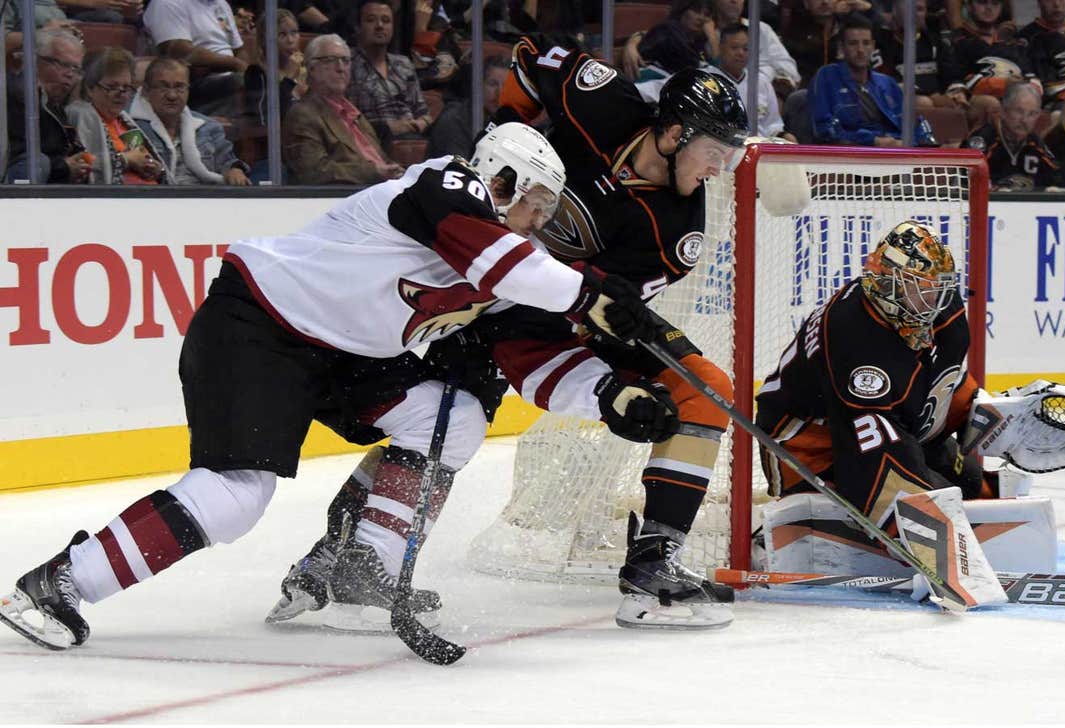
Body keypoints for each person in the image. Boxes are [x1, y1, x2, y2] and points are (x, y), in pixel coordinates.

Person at [0, 121, 663, 651]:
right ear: (502, 177)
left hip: (345, 357)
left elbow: (531, 348)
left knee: (453, 414)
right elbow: (509, 265)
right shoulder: (445, 183)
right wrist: (589, 293)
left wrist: (609, 396)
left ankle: (361, 569)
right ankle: (58, 583)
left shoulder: (516, 261)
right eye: (536, 203)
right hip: (258, 326)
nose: (539, 221)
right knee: (235, 497)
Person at [276, 50, 752, 631]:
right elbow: (530, 64)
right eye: (716, 151)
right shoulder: (604, 101)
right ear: (675, 133)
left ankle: (654, 567)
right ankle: (335, 554)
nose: (720, 169)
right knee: (445, 421)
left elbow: (602, 312)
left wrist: (611, 388)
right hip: (468, 272)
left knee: (704, 387)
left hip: (545, 312)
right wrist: (502, 137)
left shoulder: (676, 233)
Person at [753, 220, 1065, 579]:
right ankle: (801, 536)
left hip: (871, 420)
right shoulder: (853, 334)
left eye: (938, 289)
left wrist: (979, 412)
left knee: (970, 482)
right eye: (922, 291)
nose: (934, 301)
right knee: (932, 496)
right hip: (804, 445)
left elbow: (936, 384)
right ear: (888, 284)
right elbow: (871, 445)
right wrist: (927, 535)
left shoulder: (935, 309)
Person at [284, 35, 404, 185]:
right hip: (349, 195)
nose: (341, 68)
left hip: (381, 189)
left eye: (345, 61)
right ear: (311, 68)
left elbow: (380, 160)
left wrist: (395, 171)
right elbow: (313, 172)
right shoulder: (303, 115)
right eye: (330, 60)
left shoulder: (354, 113)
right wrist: (375, 172)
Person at [130, 58, 252, 186]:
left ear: (188, 90)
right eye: (163, 87)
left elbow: (228, 162)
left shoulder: (209, 127)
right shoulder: (130, 126)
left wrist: (234, 170)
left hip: (205, 195)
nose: (172, 95)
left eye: (179, 87)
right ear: (146, 90)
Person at [810, 16, 929, 147]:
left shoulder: (887, 83)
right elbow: (824, 130)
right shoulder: (826, 77)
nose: (860, 50)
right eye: (853, 43)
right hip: (852, 153)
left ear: (873, 47)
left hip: (896, 150)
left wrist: (904, 144)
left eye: (866, 43)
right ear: (842, 47)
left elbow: (914, 128)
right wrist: (873, 141)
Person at [66, 47, 170, 185]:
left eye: (126, 88)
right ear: (90, 88)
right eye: (112, 87)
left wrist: (156, 169)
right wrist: (126, 160)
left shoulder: (124, 119)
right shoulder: (81, 114)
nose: (121, 94)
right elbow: (85, 167)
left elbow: (141, 157)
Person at [4, 28, 91, 184]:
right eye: (63, 65)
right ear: (35, 60)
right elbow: (18, 156)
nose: (70, 74)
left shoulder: (54, 105)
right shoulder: (16, 96)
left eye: (75, 69)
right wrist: (64, 168)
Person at [143, 0, 255, 118]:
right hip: (193, 82)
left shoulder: (221, 3)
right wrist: (236, 65)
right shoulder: (166, 3)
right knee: (240, 82)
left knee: (262, 82)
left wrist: (251, 72)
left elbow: (239, 49)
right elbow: (180, 52)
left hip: (230, 76)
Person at [348, 0, 434, 143]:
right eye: (371, 20)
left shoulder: (403, 63)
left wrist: (421, 123)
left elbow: (423, 112)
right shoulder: (346, 63)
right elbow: (345, 119)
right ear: (358, 27)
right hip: (373, 141)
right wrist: (388, 127)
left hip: (413, 138)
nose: (380, 26)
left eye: (386, 21)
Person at [948, 0, 1035, 128]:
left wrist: (1026, 86)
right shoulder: (958, 40)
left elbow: (1030, 74)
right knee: (991, 104)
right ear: (969, 6)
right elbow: (959, 80)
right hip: (978, 98)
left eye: (995, 3)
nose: (989, 8)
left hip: (1016, 95)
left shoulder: (1014, 41)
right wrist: (1003, 85)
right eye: (982, 2)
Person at [963, 81, 1060, 190]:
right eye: (1019, 111)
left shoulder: (1036, 145)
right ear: (1003, 111)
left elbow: (1057, 178)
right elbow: (962, 181)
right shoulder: (983, 140)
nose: (1024, 120)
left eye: (1032, 114)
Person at [704, 24, 794, 140]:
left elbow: (772, 124)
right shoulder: (704, 78)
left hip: (759, 144)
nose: (740, 53)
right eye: (734, 48)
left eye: (746, 49)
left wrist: (784, 136)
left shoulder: (761, 82)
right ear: (721, 48)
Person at [426, 55, 509, 159]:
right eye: (492, 84)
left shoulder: (512, 120)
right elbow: (458, 167)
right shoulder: (454, 121)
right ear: (478, 86)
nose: (500, 93)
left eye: (507, 86)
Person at [711, 0, 801, 96]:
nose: (734, 1)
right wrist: (711, 37)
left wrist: (773, 85)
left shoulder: (761, 29)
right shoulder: (705, 33)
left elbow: (790, 69)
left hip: (765, 94)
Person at [621, 0, 716, 82]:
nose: (701, 18)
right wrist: (713, 39)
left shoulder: (697, 40)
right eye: (696, 11)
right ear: (682, 10)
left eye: (707, 15)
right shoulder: (666, 31)